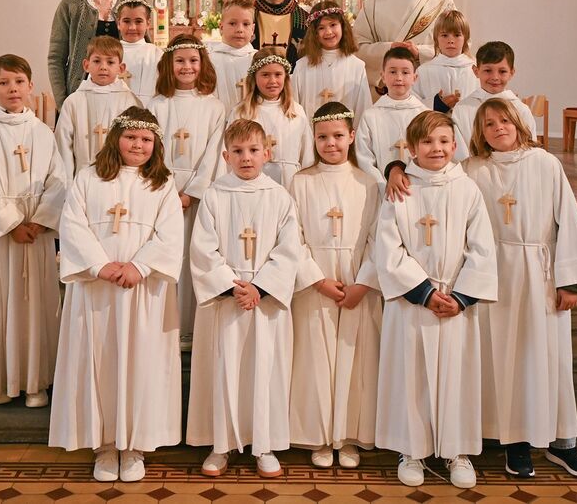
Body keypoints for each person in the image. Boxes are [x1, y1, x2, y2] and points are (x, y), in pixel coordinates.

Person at [465, 99, 577, 479]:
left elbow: (568, 219)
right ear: (480, 133)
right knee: (503, 358)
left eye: (504, 120)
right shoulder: (472, 169)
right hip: (493, 275)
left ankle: (562, 443)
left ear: (520, 123)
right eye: (489, 124)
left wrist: (570, 281)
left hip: (540, 274)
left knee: (547, 356)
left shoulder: (545, 163)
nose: (498, 128)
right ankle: (516, 443)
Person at [49, 106, 184, 483]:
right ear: (115, 139)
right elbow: (72, 224)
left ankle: (135, 445)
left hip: (143, 291)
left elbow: (171, 232)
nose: (138, 145)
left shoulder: (162, 183)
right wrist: (98, 265)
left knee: (142, 363)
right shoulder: (88, 177)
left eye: (146, 139)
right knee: (100, 360)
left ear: (156, 145)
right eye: (131, 137)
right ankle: (104, 445)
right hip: (98, 289)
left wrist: (139, 266)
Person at [374, 110, 498, 489]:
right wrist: (424, 293)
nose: (436, 148)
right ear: (411, 148)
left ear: (455, 145)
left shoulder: (467, 189)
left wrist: (460, 296)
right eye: (427, 142)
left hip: (455, 301)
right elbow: (387, 248)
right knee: (410, 375)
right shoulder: (400, 189)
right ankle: (410, 449)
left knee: (456, 375)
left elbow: (482, 247)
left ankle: (456, 450)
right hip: (412, 301)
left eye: (444, 141)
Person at [186, 119, 304, 479]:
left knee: (265, 370)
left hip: (264, 302)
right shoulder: (214, 195)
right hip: (227, 300)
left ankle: (264, 445)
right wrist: (230, 284)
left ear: (267, 153)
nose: (246, 157)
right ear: (226, 156)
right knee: (223, 368)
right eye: (237, 151)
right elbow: (202, 248)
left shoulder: (279, 196)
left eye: (253, 150)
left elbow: (290, 249)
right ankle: (220, 444)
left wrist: (260, 287)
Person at [0, 54, 66, 409]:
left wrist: (40, 220)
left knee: (36, 305)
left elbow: (58, 179)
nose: (13, 89)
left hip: (36, 232)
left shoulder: (42, 132)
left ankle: (36, 380)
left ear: (31, 86)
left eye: (19, 82)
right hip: (3, 236)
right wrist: (11, 224)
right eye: (4, 83)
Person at [289, 102, 381, 469]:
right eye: (323, 137)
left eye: (338, 136)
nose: (331, 144)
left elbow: (379, 238)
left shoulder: (368, 183)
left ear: (352, 137)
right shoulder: (301, 181)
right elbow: (292, 237)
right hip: (317, 279)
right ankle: (319, 435)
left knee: (355, 359)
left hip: (357, 279)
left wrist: (364, 282)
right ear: (313, 139)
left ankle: (349, 436)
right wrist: (317, 279)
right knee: (315, 358)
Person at [146, 34, 226, 345]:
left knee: (193, 257)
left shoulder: (214, 107)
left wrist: (192, 193)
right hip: (162, 193)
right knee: (166, 255)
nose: (187, 66)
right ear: (168, 64)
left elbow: (214, 152)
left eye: (193, 60)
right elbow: (150, 150)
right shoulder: (156, 105)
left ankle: (191, 327)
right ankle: (162, 327)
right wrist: (168, 192)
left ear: (203, 64)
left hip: (197, 196)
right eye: (179, 60)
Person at [48, 0, 132, 105]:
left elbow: (145, 49)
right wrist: (62, 102)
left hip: (121, 99)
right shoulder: (70, 5)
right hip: (78, 99)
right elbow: (55, 59)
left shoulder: (129, 6)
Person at [54, 36, 140, 181]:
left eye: (110, 62)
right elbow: (63, 146)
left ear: (121, 68)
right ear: (86, 65)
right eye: (97, 61)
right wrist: (67, 184)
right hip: (82, 177)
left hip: (120, 175)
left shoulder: (130, 102)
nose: (103, 67)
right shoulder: (74, 101)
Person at [227, 48, 313, 190]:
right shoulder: (241, 112)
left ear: (286, 77)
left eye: (278, 74)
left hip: (290, 182)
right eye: (265, 75)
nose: (272, 81)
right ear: (254, 77)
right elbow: (231, 152)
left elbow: (308, 154)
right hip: (250, 183)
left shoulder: (296, 111)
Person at [354, 47, 427, 197]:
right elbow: (364, 158)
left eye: (405, 72)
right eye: (393, 72)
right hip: (383, 191)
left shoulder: (424, 115)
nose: (399, 78)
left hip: (419, 189)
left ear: (415, 77)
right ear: (382, 76)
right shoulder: (371, 116)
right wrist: (383, 185)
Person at [292, 1, 372, 127]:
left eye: (333, 25)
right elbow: (294, 108)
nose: (328, 32)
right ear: (314, 33)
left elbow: (363, 109)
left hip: (345, 137)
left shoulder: (356, 66)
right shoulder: (302, 66)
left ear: (343, 26)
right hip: (310, 134)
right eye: (321, 28)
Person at [451, 40, 537, 151]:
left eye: (502, 71)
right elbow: (458, 150)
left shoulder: (521, 109)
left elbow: (530, 148)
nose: (495, 77)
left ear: (511, 73)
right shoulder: (462, 109)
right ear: (476, 71)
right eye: (488, 70)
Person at [412, 10, 477, 113]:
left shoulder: (475, 71)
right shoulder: (423, 71)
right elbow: (411, 104)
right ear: (436, 39)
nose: (450, 40)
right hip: (434, 122)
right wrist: (436, 105)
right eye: (444, 35)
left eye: (457, 35)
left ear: (465, 38)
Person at [207, 0, 256, 116]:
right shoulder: (210, 60)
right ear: (221, 27)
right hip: (220, 121)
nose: (239, 29)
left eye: (246, 24)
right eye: (233, 23)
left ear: (253, 29)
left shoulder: (258, 59)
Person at [116, 0, 162, 101]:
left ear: (148, 24)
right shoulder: (108, 53)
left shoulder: (157, 54)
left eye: (138, 21)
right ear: (119, 23)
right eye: (126, 21)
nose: (132, 27)